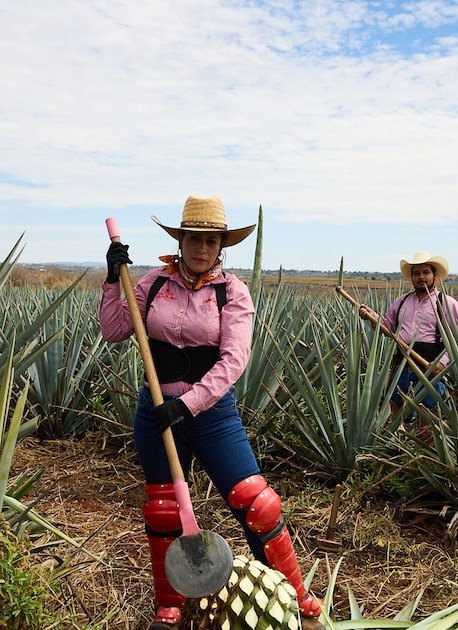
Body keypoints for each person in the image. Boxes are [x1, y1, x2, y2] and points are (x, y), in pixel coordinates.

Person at [99, 195, 324, 630]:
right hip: (157, 414)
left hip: (212, 415)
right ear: (181, 240)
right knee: (164, 511)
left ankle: (296, 599)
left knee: (258, 504)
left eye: (211, 240)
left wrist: (188, 404)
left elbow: (234, 360)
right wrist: (112, 280)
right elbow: (114, 330)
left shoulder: (232, 292)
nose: (202, 248)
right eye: (194, 238)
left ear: (222, 246)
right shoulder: (151, 284)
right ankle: (171, 607)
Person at [357, 252, 458, 416]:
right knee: (397, 412)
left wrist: (442, 363)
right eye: (416, 273)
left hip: (430, 369)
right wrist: (372, 317)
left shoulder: (447, 303)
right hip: (402, 368)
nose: (421, 277)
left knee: (429, 418)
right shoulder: (402, 302)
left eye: (426, 272)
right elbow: (387, 327)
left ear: (434, 275)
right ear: (411, 277)